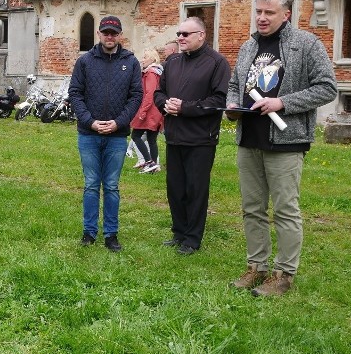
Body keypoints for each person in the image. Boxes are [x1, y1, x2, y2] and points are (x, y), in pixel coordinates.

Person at [226, 0, 337, 296]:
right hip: (249, 138)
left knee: (285, 210)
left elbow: (327, 88)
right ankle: (256, 267)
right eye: (258, 12)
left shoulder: (306, 44)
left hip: (286, 140)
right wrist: (233, 106)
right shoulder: (249, 47)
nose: (261, 18)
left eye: (269, 13)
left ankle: (283, 275)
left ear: (286, 14)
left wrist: (282, 102)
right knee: (252, 208)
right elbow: (235, 84)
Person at [153, 17, 231, 256]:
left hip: (200, 139)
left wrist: (184, 107)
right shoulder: (172, 61)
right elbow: (158, 93)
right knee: (175, 188)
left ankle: (192, 239)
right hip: (174, 136)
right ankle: (178, 231)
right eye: (179, 33)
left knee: (195, 189)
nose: (180, 38)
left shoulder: (217, 63)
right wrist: (166, 104)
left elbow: (219, 100)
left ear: (201, 36)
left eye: (186, 34)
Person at [68, 15, 142, 252]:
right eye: (106, 32)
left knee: (111, 186)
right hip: (88, 134)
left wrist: (119, 122)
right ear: (99, 34)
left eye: (114, 33)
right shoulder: (85, 61)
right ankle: (89, 232)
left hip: (117, 136)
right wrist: (90, 122)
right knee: (91, 184)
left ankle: (111, 234)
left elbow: (136, 96)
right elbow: (75, 93)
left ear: (120, 35)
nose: (110, 37)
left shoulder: (131, 62)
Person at [130, 48, 164, 174]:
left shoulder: (150, 73)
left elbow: (150, 94)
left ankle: (149, 161)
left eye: (145, 57)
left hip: (150, 110)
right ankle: (153, 167)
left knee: (135, 136)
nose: (142, 59)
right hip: (156, 110)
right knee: (151, 139)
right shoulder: (158, 72)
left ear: (152, 59)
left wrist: (143, 111)